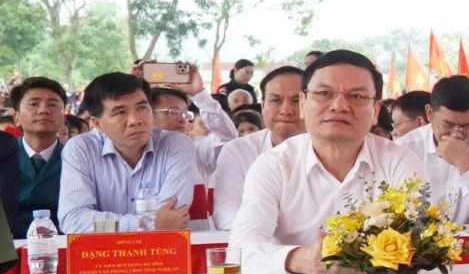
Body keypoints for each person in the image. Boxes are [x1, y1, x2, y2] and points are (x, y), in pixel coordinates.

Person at [230, 51, 454, 274]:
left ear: (375, 111)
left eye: (356, 96)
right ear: (303, 104)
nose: (339, 106)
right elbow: (240, 251)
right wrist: (299, 260)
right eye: (324, 93)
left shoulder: (399, 160)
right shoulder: (274, 165)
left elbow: (424, 238)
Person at [57, 72, 198, 232]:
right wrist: (144, 225)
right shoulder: (81, 149)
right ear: (97, 123)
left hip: (161, 252)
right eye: (120, 112)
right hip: (101, 254)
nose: (135, 120)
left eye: (142, 108)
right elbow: (73, 220)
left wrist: (107, 226)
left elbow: (173, 216)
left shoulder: (177, 144)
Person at [397, 75, 469, 218]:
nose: (457, 133)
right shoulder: (406, 148)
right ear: (430, 113)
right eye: (448, 124)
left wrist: (464, 164)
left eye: (467, 125)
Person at [209, 64, 305, 231]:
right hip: (253, 248)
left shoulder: (333, 150)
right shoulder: (238, 150)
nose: (286, 110)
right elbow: (226, 213)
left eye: (296, 101)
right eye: (276, 100)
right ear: (262, 106)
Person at [8, 76, 66, 237]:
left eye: (53, 104)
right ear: (16, 117)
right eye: (34, 104)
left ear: (63, 117)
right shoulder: (4, 156)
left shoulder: (76, 160)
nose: (43, 110)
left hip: (63, 247)